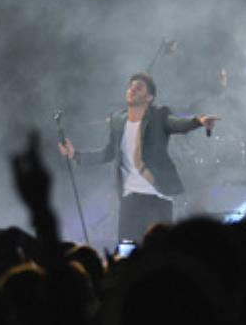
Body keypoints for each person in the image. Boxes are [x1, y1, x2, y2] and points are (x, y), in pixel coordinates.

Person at [58, 73, 218, 242]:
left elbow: (177, 124)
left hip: (157, 197)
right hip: (130, 200)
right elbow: (108, 153)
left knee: (158, 253)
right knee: (128, 253)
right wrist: (76, 155)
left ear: (149, 97)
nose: (132, 90)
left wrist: (198, 122)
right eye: (131, 87)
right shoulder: (118, 120)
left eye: (138, 87)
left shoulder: (159, 115)